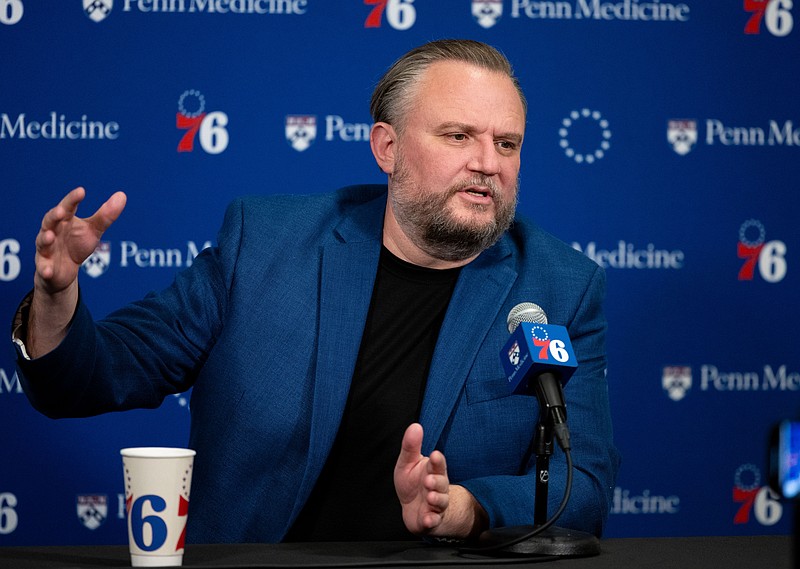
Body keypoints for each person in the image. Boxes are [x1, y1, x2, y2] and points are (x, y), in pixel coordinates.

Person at [12, 39, 620, 544]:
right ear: (387, 148)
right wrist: (57, 302)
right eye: (458, 136)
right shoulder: (266, 245)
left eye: (506, 143)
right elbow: (97, 375)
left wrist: (468, 508)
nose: (488, 162)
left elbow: (583, 483)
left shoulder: (557, 286)